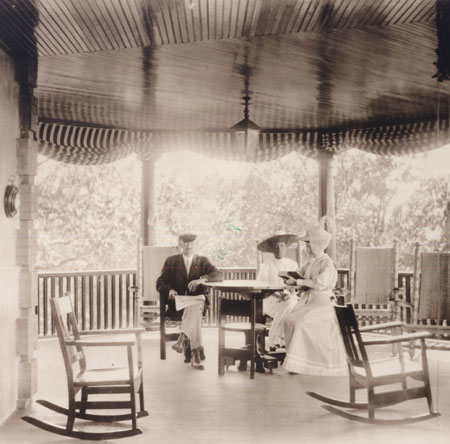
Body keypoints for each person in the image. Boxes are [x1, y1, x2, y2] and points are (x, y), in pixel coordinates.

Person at [282, 217, 347, 376]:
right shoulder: (310, 262)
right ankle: (298, 363)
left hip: (323, 303)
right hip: (309, 301)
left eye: (309, 244)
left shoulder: (327, 263)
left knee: (300, 323)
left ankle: (308, 363)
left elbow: (319, 283)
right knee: (289, 320)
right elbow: (301, 275)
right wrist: (291, 280)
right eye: (306, 244)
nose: (307, 247)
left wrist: (298, 281)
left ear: (317, 244)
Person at [156, 233, 223, 370]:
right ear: (180, 243)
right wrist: (169, 290)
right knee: (195, 311)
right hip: (178, 304)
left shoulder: (203, 261)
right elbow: (160, 282)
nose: (189, 245)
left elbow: (219, 275)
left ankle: (182, 339)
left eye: (191, 242)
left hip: (198, 301)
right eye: (185, 242)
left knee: (195, 305)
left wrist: (202, 279)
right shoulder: (171, 261)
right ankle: (195, 353)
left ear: (195, 244)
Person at [256, 231, 299, 350]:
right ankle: (282, 342)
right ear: (272, 249)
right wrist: (278, 296)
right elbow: (262, 286)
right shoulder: (266, 265)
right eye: (276, 246)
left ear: (286, 248)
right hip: (271, 299)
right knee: (290, 306)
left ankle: (275, 340)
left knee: (291, 304)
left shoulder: (293, 264)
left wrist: (289, 293)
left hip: (289, 298)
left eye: (282, 246)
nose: (279, 249)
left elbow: (296, 284)